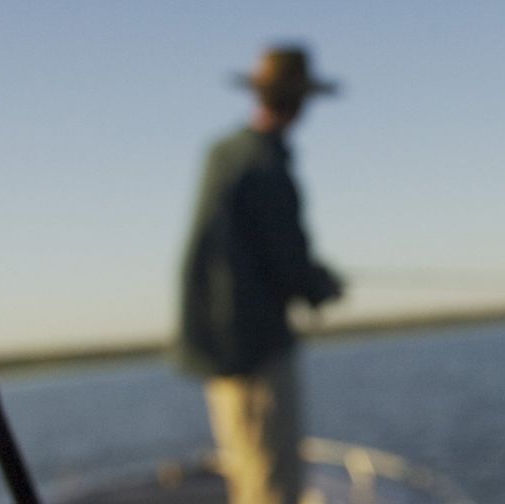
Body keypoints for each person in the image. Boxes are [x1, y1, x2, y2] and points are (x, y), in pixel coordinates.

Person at [178, 44, 344, 504]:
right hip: (255, 347)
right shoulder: (265, 162)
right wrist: (321, 284)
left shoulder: (224, 154)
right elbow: (288, 261)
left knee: (247, 469)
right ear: (298, 101)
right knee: (273, 481)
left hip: (222, 349)